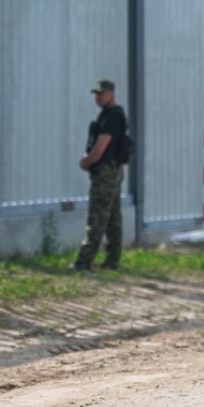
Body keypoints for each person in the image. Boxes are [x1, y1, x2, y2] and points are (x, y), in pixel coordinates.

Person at [70, 79, 128, 271]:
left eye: (101, 94)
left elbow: (102, 145)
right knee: (112, 217)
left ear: (111, 94)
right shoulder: (107, 114)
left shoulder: (112, 116)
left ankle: (84, 261)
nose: (98, 97)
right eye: (96, 94)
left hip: (106, 171)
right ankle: (112, 260)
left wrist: (87, 161)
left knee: (97, 217)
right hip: (110, 170)